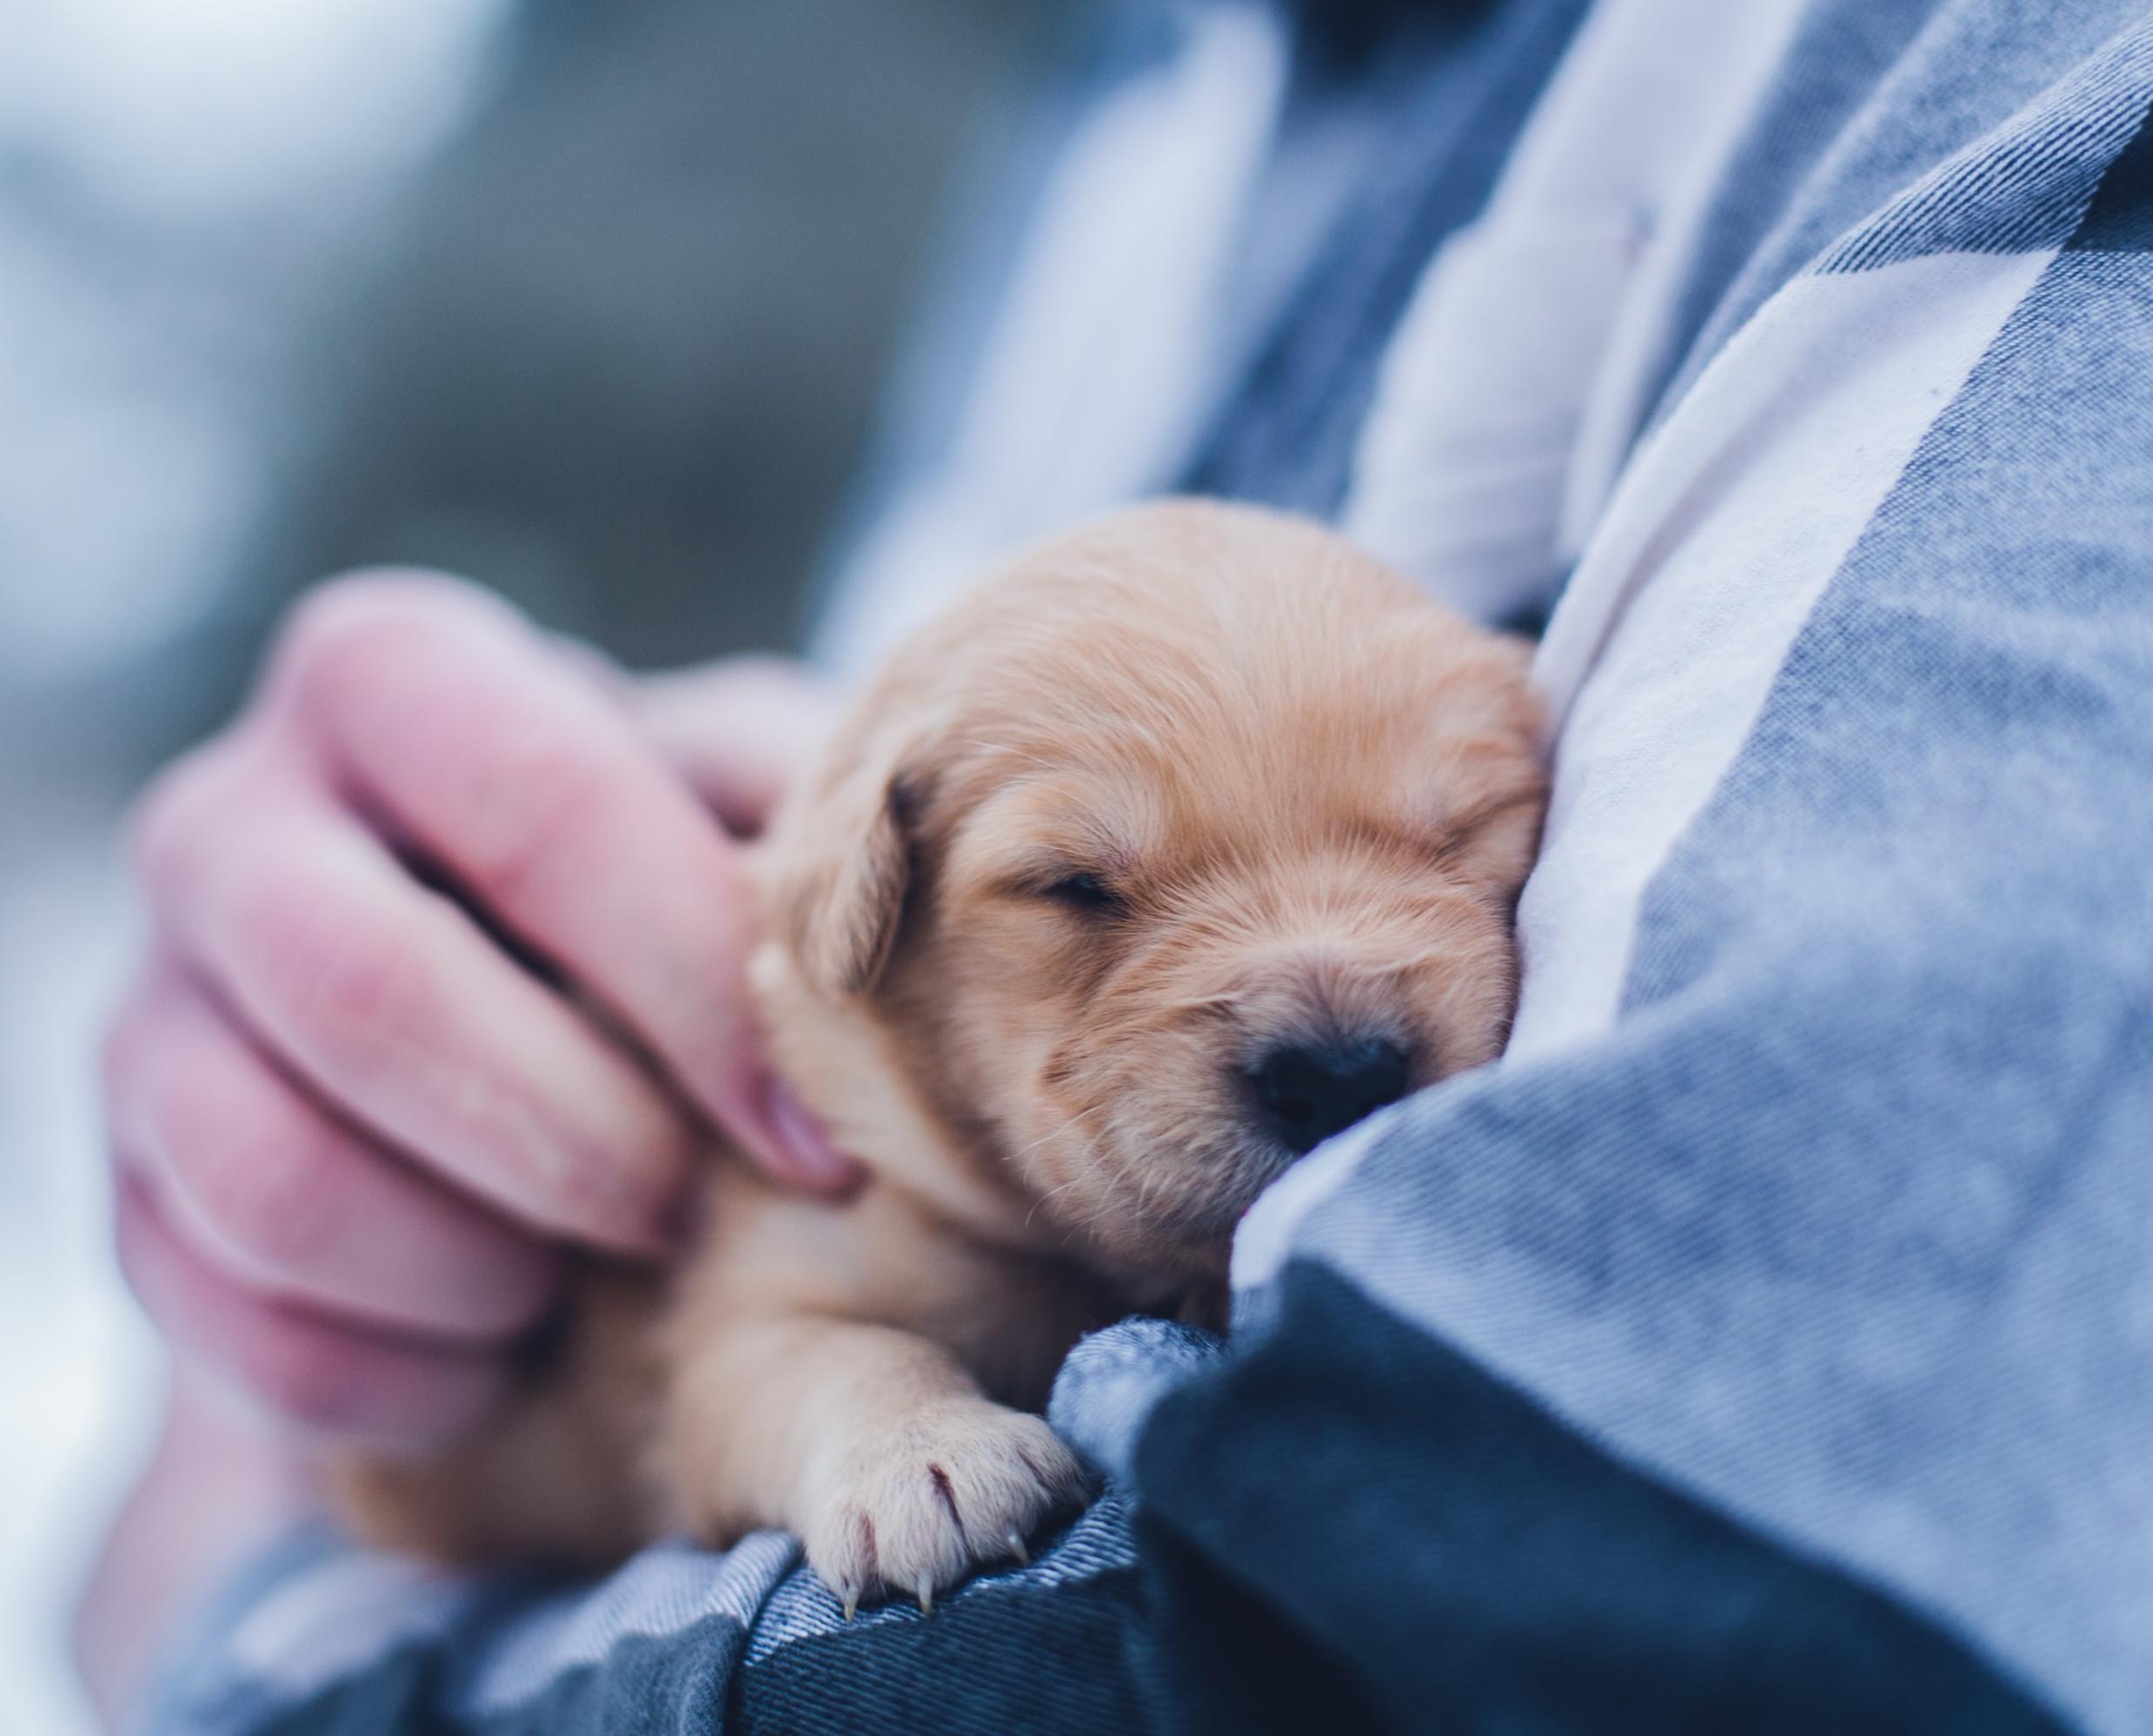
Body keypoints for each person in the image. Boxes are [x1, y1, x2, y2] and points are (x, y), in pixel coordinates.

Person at [80, 0, 2153, 1730]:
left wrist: (239, 1637)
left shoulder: (2001, 80)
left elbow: (1422, 1614)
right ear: (854, 924)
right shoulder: (1128, 117)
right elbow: (736, 1379)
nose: (1331, 1006)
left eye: (1453, 834)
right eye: (1086, 894)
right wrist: (276, 1271)